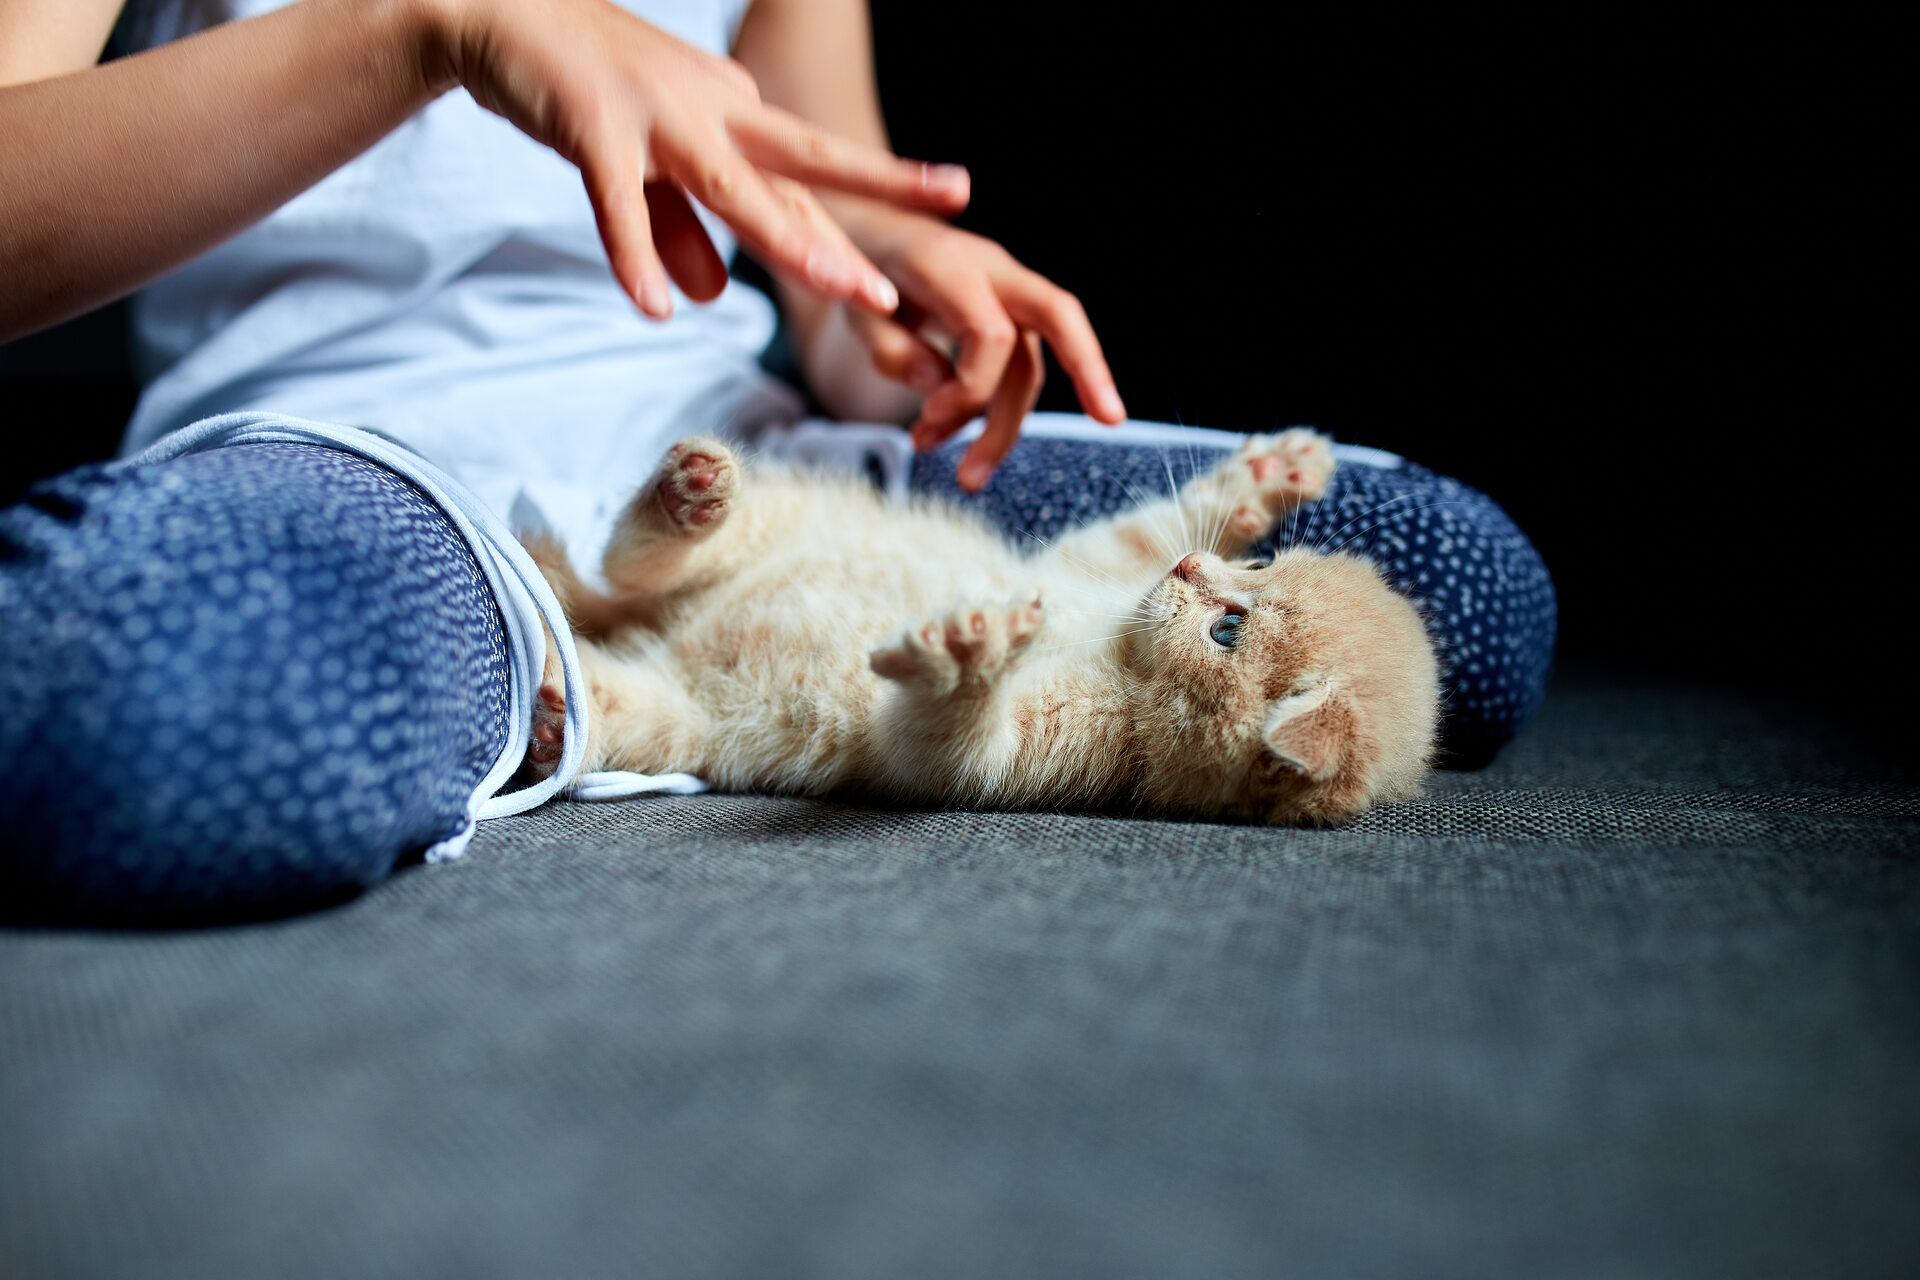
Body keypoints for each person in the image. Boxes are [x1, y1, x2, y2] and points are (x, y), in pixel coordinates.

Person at [0, 0, 1553, 924]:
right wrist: (437, 31)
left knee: (1462, 592)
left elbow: (822, 234)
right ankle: (563, 676)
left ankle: (943, 684)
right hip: (384, 454)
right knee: (107, 705)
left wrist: (892, 304)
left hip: (751, 464)